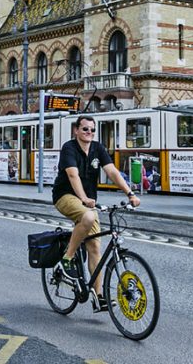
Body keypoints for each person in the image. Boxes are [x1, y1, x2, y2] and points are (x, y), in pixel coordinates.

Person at [52, 114, 141, 313]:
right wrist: (83, 198)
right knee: (89, 216)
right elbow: (72, 175)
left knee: (94, 248)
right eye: (85, 129)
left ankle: (98, 297)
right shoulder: (69, 148)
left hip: (87, 201)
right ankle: (68, 257)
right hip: (65, 196)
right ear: (76, 131)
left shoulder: (97, 148)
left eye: (92, 129)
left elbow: (112, 172)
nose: (89, 132)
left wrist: (130, 194)